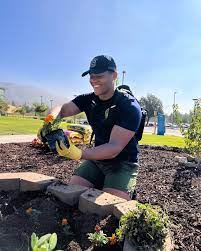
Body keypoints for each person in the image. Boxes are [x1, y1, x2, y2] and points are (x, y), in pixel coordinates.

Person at [40, 55, 142, 200]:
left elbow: (113, 148)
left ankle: (126, 190)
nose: (94, 81)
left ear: (114, 75)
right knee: (71, 195)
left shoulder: (129, 106)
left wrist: (77, 153)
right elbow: (62, 109)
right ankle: (103, 182)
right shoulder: (88, 99)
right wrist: (49, 121)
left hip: (122, 163)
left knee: (109, 207)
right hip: (97, 159)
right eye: (91, 76)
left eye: (99, 76)